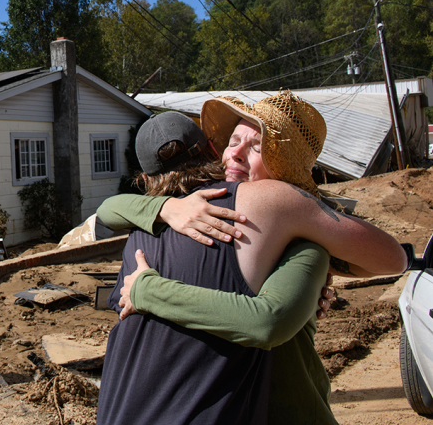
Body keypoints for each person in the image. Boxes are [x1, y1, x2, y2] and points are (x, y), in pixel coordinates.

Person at [95, 92, 407, 424]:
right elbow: (106, 212)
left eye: (257, 147)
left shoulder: (299, 227)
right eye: (234, 141)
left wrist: (150, 291)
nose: (236, 154)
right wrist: (165, 208)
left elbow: (391, 260)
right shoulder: (192, 212)